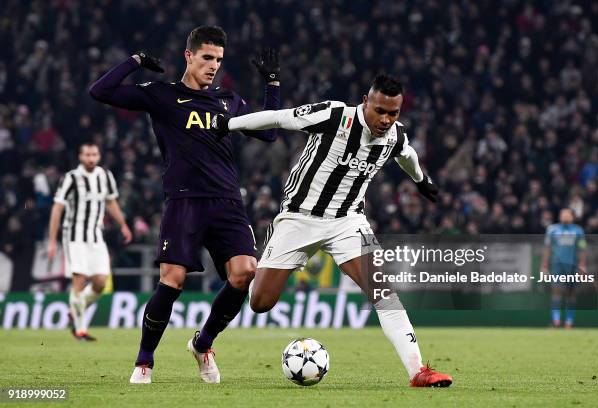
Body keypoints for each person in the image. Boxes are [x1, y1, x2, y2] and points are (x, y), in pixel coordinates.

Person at [214, 74, 453, 387]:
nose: (385, 119)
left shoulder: (394, 135)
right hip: (299, 218)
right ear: (366, 102)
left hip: (348, 222)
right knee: (260, 302)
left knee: (384, 293)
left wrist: (421, 181)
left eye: (393, 113)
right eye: (379, 110)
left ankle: (418, 371)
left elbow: (406, 154)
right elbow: (279, 118)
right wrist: (228, 124)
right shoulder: (335, 115)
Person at [89, 25, 280, 384]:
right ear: (189, 56)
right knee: (172, 280)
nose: (214, 66)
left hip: (226, 201)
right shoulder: (162, 95)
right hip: (184, 201)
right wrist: (134, 62)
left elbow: (268, 132)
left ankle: (203, 343)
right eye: (207, 58)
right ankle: (144, 361)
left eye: (219, 60)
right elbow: (100, 91)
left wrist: (272, 86)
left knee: (245, 273)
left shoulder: (230, 101)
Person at [48, 142, 132, 341]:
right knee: (79, 279)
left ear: (99, 156)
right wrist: (52, 241)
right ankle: (80, 329)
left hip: (95, 236)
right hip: (74, 236)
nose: (91, 158)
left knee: (101, 282)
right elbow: (57, 208)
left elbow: (110, 202)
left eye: (94, 154)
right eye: (87, 155)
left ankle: (75, 309)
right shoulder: (71, 178)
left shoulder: (105, 176)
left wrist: (123, 225)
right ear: (80, 156)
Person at [540, 208, 587, 328]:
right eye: (562, 214)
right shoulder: (552, 229)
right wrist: (544, 265)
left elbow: (582, 248)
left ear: (572, 216)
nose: (564, 216)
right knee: (556, 292)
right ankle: (556, 322)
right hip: (557, 266)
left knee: (571, 294)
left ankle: (569, 322)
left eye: (567, 214)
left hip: (573, 266)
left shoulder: (578, 230)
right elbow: (547, 248)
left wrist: (582, 265)